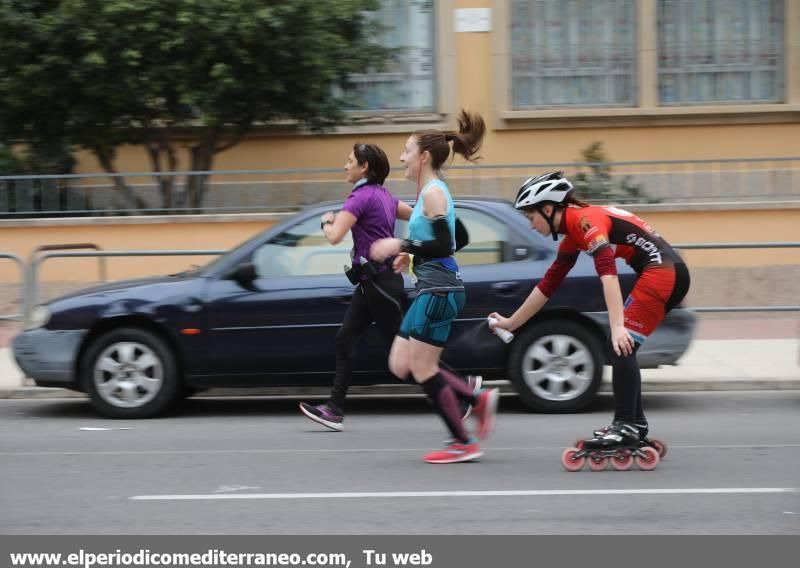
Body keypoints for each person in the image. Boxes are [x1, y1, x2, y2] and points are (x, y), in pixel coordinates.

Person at [489, 171, 690, 451]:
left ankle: (626, 425)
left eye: (530, 216)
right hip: (666, 270)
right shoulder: (573, 231)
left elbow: (608, 275)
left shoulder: (586, 221)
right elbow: (549, 284)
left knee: (620, 344)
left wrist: (618, 326)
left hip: (662, 272)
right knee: (623, 346)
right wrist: (511, 322)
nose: (531, 225)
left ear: (548, 209)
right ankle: (634, 423)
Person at [299, 143, 479, 431]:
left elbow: (334, 236)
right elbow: (419, 215)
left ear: (364, 167)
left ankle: (462, 389)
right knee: (346, 339)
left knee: (405, 357)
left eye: (349, 161)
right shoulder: (385, 197)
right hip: (372, 282)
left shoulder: (358, 198)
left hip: (379, 284)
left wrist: (326, 220)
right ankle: (334, 408)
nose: (345, 166)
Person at [370, 110, 500, 464]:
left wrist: (402, 246)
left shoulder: (432, 195)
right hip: (430, 290)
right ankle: (476, 399)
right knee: (400, 364)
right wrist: (413, 257)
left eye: (406, 151)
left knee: (424, 369)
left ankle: (463, 442)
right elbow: (459, 235)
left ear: (423, 157)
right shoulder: (432, 194)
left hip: (440, 293)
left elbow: (447, 244)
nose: (401, 158)